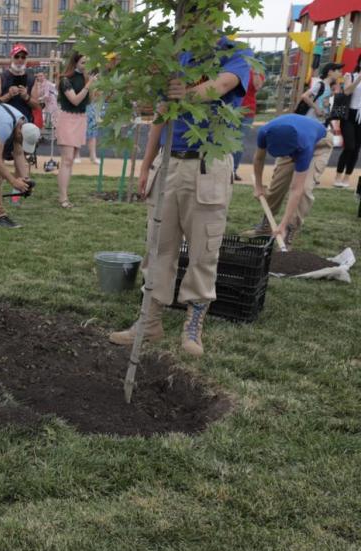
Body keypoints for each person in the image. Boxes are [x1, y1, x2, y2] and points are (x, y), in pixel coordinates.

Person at [109, 36, 251, 358]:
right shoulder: (176, 56)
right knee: (159, 245)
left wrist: (183, 94)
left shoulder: (235, 52)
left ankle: (193, 324)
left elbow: (224, 84)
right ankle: (150, 322)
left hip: (207, 163)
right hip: (169, 161)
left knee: (204, 247)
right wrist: (146, 165)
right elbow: (162, 115)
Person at [241, 114, 333, 247]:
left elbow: (296, 189)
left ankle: (289, 229)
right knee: (277, 185)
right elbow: (259, 158)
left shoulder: (305, 146)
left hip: (319, 144)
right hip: (290, 140)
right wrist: (259, 186)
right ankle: (266, 224)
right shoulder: (265, 132)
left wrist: (283, 224)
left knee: (305, 189)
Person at [55, 51, 96, 209]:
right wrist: (88, 85)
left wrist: (91, 85)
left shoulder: (85, 78)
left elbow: (87, 101)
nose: (86, 66)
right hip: (67, 119)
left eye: (87, 63)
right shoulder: (66, 80)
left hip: (80, 119)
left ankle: (64, 194)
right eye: (83, 63)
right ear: (75, 63)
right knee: (67, 160)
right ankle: (63, 197)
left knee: (70, 161)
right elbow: (75, 100)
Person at [0, 43, 43, 129]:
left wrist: (26, 97)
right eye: (17, 56)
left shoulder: (31, 79)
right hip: (5, 123)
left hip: (25, 122)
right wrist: (8, 95)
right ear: (11, 58)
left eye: (23, 57)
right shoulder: (1, 78)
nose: (20, 59)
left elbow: (37, 106)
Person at [233, 67, 265, 182]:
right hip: (231, 110)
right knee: (226, 139)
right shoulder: (234, 67)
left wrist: (256, 71)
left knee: (239, 142)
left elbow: (257, 86)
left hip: (248, 112)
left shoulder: (257, 72)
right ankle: (223, 168)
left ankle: (232, 170)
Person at [334, 59, 361, 188]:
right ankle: (338, 175)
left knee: (356, 148)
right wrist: (359, 79)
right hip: (349, 115)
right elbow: (347, 91)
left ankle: (347, 177)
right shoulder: (349, 76)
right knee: (349, 146)